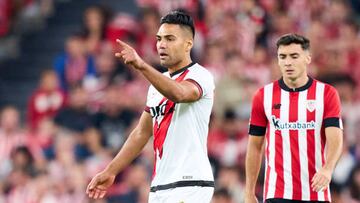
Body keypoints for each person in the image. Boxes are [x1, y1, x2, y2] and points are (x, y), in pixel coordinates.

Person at [86, 10, 215, 202]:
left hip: (190, 183)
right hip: (159, 186)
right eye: (159, 39)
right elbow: (141, 133)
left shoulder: (200, 75)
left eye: (170, 39)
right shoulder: (157, 85)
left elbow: (180, 94)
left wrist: (141, 65)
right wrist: (110, 171)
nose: (162, 44)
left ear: (188, 44)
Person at [245, 34, 343, 203]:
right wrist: (249, 192)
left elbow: (336, 137)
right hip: (277, 193)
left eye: (294, 56)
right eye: (282, 57)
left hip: (316, 193)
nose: (287, 62)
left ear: (307, 58)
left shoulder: (326, 93)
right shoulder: (263, 96)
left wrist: (328, 169)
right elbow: (254, 146)